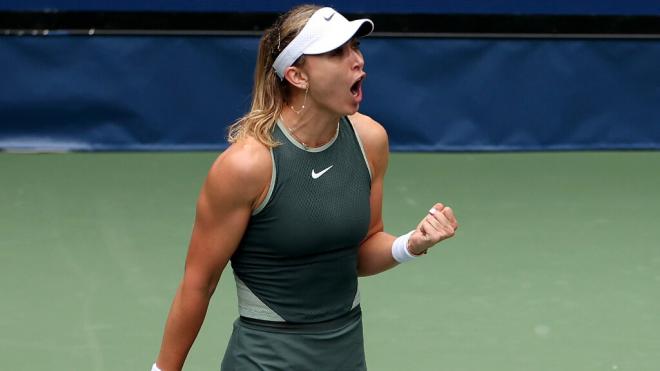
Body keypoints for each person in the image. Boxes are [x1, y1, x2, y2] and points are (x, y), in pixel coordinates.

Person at [151, 4, 459, 371]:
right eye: (336, 53)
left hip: (345, 355)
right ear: (297, 76)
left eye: (355, 47)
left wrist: (411, 243)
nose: (357, 61)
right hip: (265, 360)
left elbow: (359, 251)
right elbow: (198, 284)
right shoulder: (247, 166)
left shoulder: (370, 141)